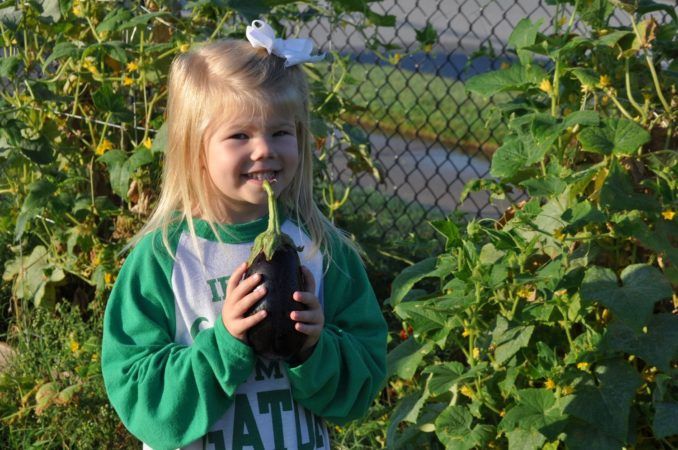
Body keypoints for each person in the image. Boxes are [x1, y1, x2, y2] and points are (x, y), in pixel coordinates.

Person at [101, 20, 388, 450]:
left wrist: (314, 348)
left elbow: (363, 375)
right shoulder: (165, 257)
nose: (264, 150)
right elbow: (141, 397)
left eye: (280, 132)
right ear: (194, 148)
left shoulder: (320, 248)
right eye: (239, 135)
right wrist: (224, 345)